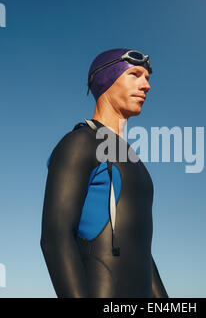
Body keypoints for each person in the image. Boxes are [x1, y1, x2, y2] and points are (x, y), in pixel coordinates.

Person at [40, 48, 169, 298]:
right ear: (106, 80)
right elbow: (55, 238)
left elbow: (141, 252)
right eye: (135, 74)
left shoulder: (135, 162)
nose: (147, 85)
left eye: (148, 78)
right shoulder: (79, 144)